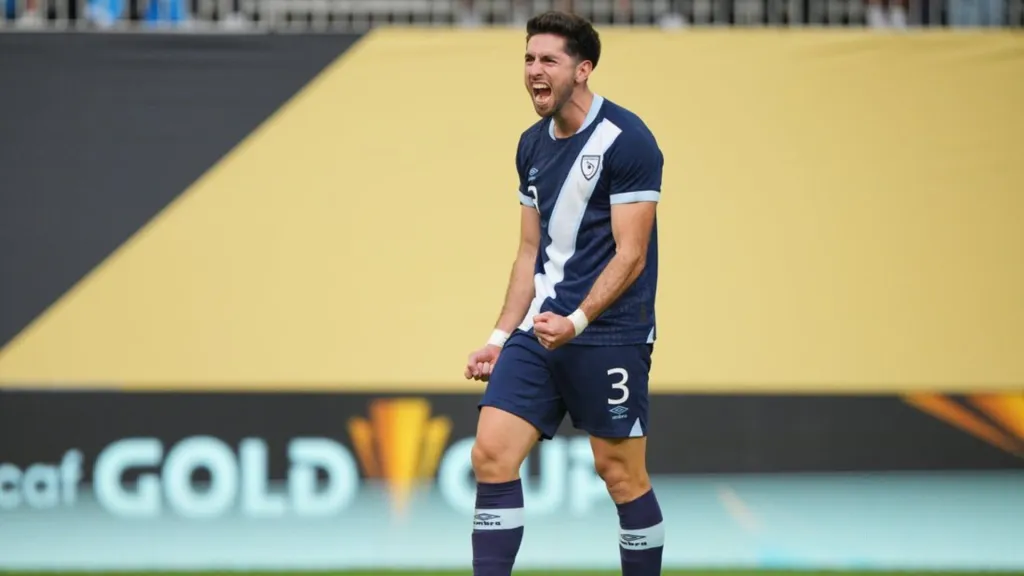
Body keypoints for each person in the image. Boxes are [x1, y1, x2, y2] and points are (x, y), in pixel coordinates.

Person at [463, 10, 665, 576]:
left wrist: (577, 320)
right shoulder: (531, 145)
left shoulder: (628, 140)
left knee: (620, 474)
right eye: (529, 58)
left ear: (583, 69)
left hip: (610, 334)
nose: (534, 70)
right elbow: (530, 251)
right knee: (491, 454)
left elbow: (632, 254)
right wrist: (500, 337)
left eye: (548, 59)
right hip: (541, 332)